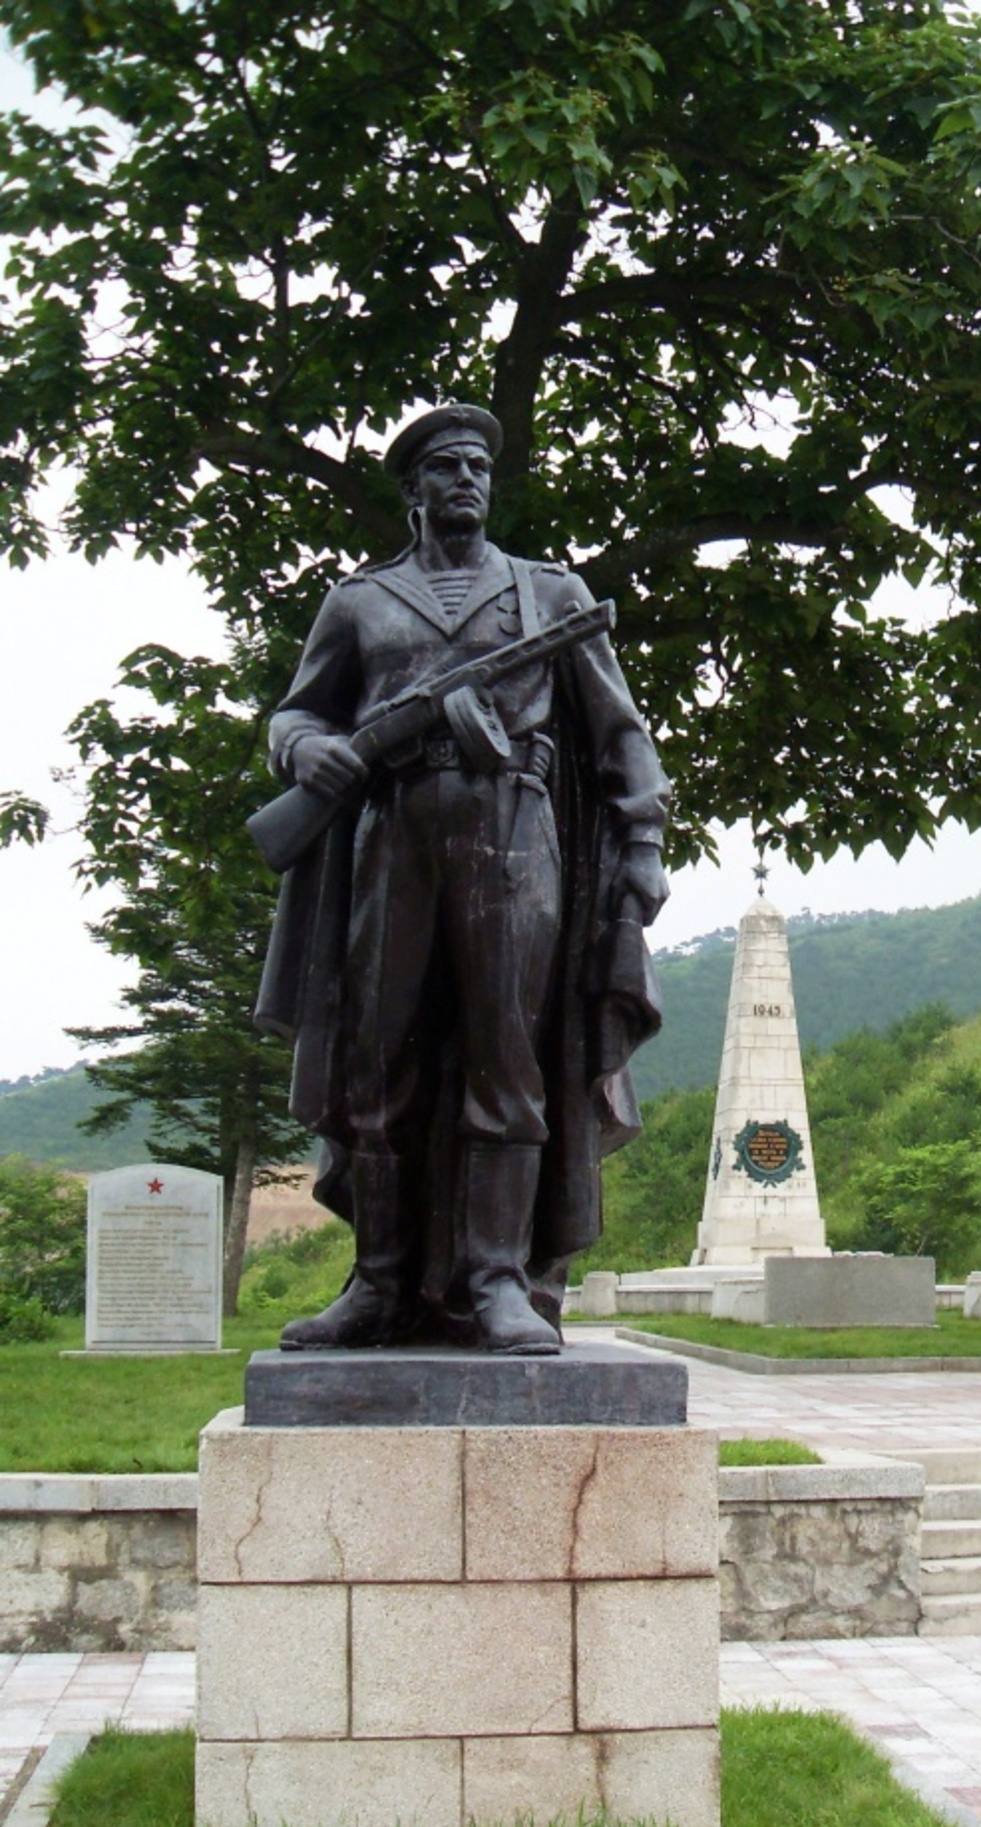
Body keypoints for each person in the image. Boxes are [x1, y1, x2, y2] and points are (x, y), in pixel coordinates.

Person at [255, 404, 670, 1354]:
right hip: (392, 834)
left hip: (515, 832)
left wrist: (641, 850)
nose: (466, 482)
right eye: (445, 468)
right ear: (413, 490)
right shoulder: (359, 601)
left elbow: (622, 737)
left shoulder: (548, 597)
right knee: (375, 1059)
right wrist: (308, 751)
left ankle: (497, 1280)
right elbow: (296, 715)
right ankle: (378, 1282)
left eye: (479, 467)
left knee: (507, 1055)